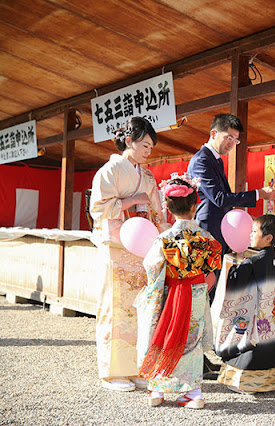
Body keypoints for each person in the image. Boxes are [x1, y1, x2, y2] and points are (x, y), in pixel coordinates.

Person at [89, 116, 169, 392]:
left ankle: (137, 367)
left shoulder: (146, 175)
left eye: (150, 146)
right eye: (145, 145)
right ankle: (111, 373)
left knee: (140, 311)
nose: (148, 151)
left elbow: (158, 210)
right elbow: (98, 209)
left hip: (140, 251)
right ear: (129, 141)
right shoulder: (110, 171)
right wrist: (133, 201)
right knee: (115, 309)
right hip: (116, 249)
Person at [135, 177, 222, 408]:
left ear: (169, 208)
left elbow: (152, 267)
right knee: (190, 340)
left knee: (163, 336)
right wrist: (202, 284)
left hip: (169, 293)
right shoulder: (206, 238)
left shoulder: (164, 238)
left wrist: (162, 283)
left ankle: (156, 391)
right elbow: (213, 267)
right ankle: (193, 393)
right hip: (195, 292)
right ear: (195, 206)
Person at [214, 214, 275, 394]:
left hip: (256, 318)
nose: (250, 235)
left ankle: (246, 383)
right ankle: (269, 383)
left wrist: (234, 268)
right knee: (269, 346)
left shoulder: (253, 261)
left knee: (247, 343)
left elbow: (237, 286)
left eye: (254, 232)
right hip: (273, 317)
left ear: (268, 238)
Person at [187, 113, 275, 259]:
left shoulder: (215, 159)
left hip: (219, 231)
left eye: (235, 140)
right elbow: (220, 198)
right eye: (229, 138)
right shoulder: (202, 160)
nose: (231, 144)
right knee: (208, 280)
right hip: (208, 231)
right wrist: (258, 194)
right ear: (213, 133)